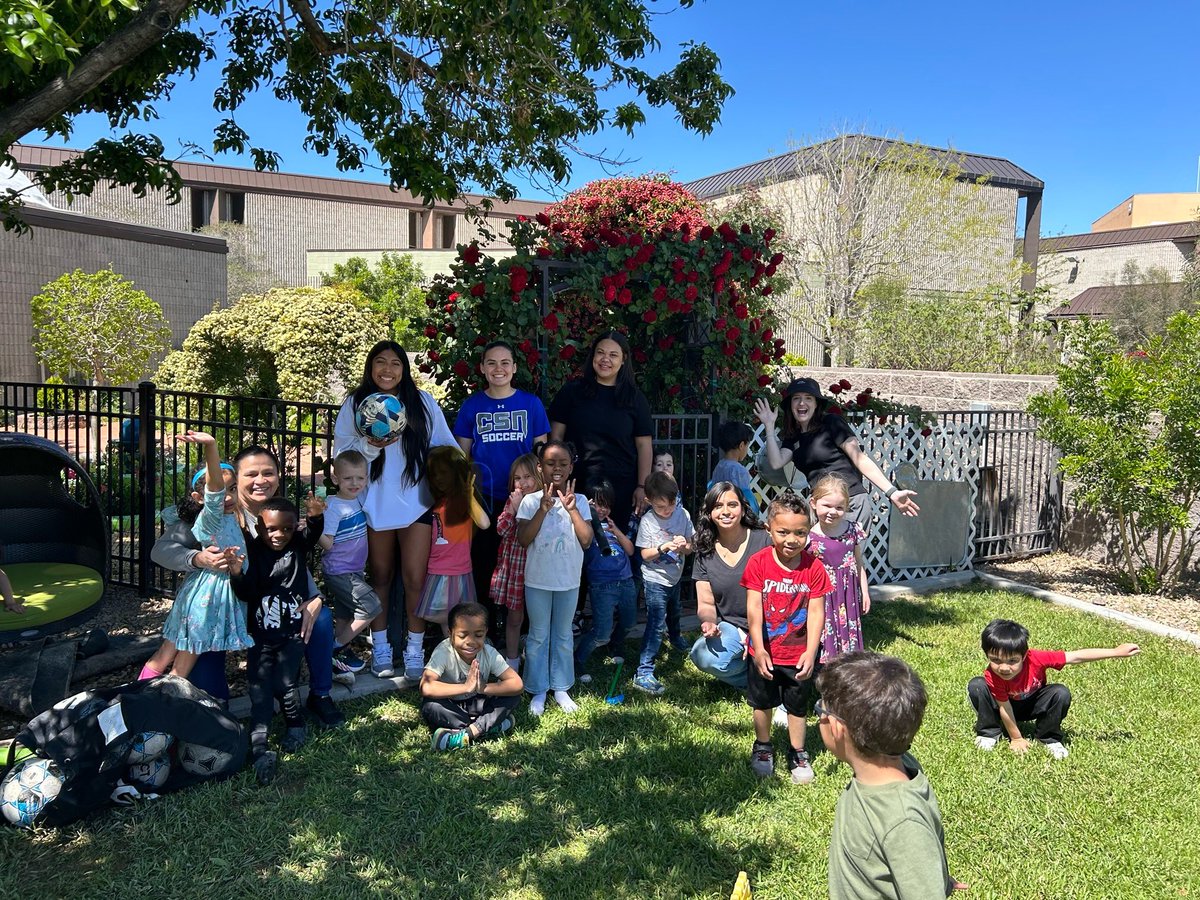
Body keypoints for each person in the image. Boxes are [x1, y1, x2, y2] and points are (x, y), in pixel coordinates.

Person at [149, 444, 345, 726]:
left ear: (279, 477)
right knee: (207, 660)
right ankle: (212, 705)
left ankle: (320, 695)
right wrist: (197, 557)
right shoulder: (213, 510)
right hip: (228, 606)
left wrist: (314, 597)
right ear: (232, 478)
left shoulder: (280, 513)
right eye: (251, 474)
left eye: (269, 473)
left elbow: (292, 561)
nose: (261, 481)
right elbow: (161, 549)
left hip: (271, 606)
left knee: (321, 618)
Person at [333, 339, 456, 680]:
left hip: (416, 503)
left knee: (416, 579)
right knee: (381, 579)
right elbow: (342, 456)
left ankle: (415, 650)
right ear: (370, 368)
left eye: (395, 363)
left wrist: (451, 476)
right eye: (380, 362)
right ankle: (382, 647)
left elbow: (444, 445)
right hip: (372, 505)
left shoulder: (422, 403)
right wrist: (371, 445)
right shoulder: (356, 405)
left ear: (404, 369)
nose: (387, 369)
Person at [818, 651, 967, 899]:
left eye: (819, 711)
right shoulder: (894, 764)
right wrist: (933, 875)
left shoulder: (901, 820)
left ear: (836, 728)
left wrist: (930, 880)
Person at [454, 340, 550, 636]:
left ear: (515, 368)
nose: (499, 369)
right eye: (492, 363)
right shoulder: (472, 406)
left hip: (526, 500)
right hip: (486, 498)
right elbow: (461, 455)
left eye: (505, 362)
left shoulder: (530, 404)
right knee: (486, 566)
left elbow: (542, 453)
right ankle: (486, 631)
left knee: (525, 565)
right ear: (482, 368)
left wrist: (537, 494)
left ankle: (524, 631)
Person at [229, 497, 326, 784]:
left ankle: (296, 725)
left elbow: (312, 533)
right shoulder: (253, 552)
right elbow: (246, 593)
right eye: (271, 529)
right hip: (260, 636)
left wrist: (315, 515)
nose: (278, 535)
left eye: (285, 528)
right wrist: (236, 572)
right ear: (259, 526)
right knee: (258, 687)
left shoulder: (297, 544)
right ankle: (259, 744)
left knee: (285, 682)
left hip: (293, 634)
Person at [143, 431, 254, 679]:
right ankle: (162, 699)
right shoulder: (210, 518)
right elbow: (215, 493)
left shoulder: (232, 515)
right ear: (199, 498)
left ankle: (142, 696)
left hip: (211, 595)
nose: (227, 497)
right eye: (220, 491)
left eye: (233, 489)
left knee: (170, 651)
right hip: (208, 597)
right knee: (182, 661)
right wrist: (211, 447)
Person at [742, 491, 831, 783]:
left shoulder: (814, 568)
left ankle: (798, 751)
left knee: (797, 705)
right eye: (783, 532)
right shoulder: (758, 563)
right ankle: (763, 746)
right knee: (762, 702)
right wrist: (759, 646)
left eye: (800, 532)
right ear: (769, 530)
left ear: (808, 531)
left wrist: (811, 650)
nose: (791, 539)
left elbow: (817, 612)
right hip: (764, 653)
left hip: (798, 656)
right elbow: (754, 608)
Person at [754, 377, 920, 527]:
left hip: (850, 502)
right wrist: (769, 425)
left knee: (849, 560)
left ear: (817, 404)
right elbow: (776, 462)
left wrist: (891, 492)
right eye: (796, 399)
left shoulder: (831, 422)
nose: (802, 403)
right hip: (822, 506)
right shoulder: (793, 437)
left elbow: (859, 458)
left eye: (808, 398)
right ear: (790, 405)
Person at [968, 618, 1140, 759]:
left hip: (1031, 704)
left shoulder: (1037, 658)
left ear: (1025, 655)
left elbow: (1076, 656)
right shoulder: (993, 674)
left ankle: (1047, 737)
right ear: (987, 655)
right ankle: (989, 733)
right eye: (996, 660)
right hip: (1004, 707)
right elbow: (1004, 706)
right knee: (977, 685)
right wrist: (1016, 738)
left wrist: (1115, 652)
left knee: (1060, 692)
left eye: (1012, 661)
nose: (1004, 668)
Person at [517, 439, 592, 716]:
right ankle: (537, 689)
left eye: (563, 463)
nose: (557, 469)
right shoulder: (529, 501)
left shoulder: (580, 501)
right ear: (540, 467)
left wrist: (571, 510)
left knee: (562, 635)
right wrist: (543, 508)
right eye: (550, 464)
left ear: (571, 467)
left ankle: (561, 687)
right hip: (537, 580)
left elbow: (586, 540)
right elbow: (524, 539)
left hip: (568, 581)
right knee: (538, 635)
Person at [549, 331, 653, 529]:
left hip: (622, 490)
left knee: (615, 551)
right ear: (593, 356)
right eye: (600, 353)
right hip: (576, 486)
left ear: (623, 360)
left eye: (613, 355)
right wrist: (558, 479)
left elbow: (644, 445)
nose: (605, 359)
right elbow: (556, 439)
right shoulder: (572, 392)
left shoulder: (635, 398)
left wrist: (642, 486)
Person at [688, 482, 769, 691]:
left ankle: (772, 677)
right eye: (718, 506)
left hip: (771, 625)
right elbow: (706, 601)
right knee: (701, 655)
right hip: (734, 626)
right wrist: (708, 623)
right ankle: (753, 682)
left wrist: (757, 634)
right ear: (710, 513)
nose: (725, 511)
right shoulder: (705, 550)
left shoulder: (764, 540)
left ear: (743, 508)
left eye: (732, 505)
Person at [420, 602, 524, 752]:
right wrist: (465, 687)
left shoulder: (489, 653)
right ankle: (490, 726)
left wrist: (484, 687)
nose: (471, 642)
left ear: (486, 632)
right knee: (430, 706)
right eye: (463, 635)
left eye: (479, 635)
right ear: (450, 634)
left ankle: (467, 734)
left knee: (512, 697)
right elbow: (426, 686)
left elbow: (517, 684)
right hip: (452, 706)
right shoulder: (444, 651)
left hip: (479, 703)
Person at [318, 449, 382, 676]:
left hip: (353, 570)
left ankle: (338, 656)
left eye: (360, 478)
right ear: (335, 479)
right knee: (371, 607)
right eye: (347, 478)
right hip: (339, 571)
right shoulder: (334, 507)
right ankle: (332, 649)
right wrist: (314, 528)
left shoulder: (358, 500)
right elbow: (327, 543)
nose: (355, 483)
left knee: (346, 616)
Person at [633, 471, 694, 695]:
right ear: (649, 501)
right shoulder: (648, 520)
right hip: (654, 579)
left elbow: (691, 545)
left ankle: (676, 638)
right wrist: (663, 547)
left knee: (675, 610)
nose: (666, 511)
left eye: (669, 506)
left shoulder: (683, 515)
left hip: (674, 577)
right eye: (660, 507)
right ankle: (644, 670)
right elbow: (644, 554)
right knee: (656, 623)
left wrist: (683, 546)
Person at [415, 446, 491, 628]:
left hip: (460, 570)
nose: (439, 478)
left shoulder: (464, 503)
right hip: (437, 569)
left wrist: (469, 496)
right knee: (446, 618)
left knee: (459, 617)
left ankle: (454, 650)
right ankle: (450, 650)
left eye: (444, 473)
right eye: (434, 474)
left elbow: (485, 523)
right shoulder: (431, 504)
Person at [574, 479, 637, 674]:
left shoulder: (612, 526)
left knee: (629, 622)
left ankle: (615, 645)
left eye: (606, 505)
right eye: (598, 504)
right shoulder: (585, 527)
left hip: (626, 581)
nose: (603, 510)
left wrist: (616, 531)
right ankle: (577, 660)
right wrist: (587, 513)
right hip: (602, 586)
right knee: (601, 633)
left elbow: (631, 550)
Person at [807, 474, 870, 660]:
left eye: (839, 507)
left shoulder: (852, 530)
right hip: (822, 595)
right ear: (813, 503)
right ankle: (826, 668)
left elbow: (858, 563)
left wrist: (864, 592)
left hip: (847, 593)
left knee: (848, 631)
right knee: (826, 630)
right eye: (827, 505)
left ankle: (849, 666)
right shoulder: (809, 537)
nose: (832, 512)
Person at [492, 453, 540, 672]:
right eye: (518, 478)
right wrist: (513, 508)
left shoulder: (544, 501)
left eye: (528, 476)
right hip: (516, 568)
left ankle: (536, 659)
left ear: (539, 476)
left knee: (539, 617)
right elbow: (501, 529)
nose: (523, 483)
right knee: (514, 617)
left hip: (539, 567)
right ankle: (512, 661)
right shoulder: (513, 501)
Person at [708, 420, 760, 517]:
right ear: (741, 445)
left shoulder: (720, 465)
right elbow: (745, 499)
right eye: (747, 446)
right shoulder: (738, 470)